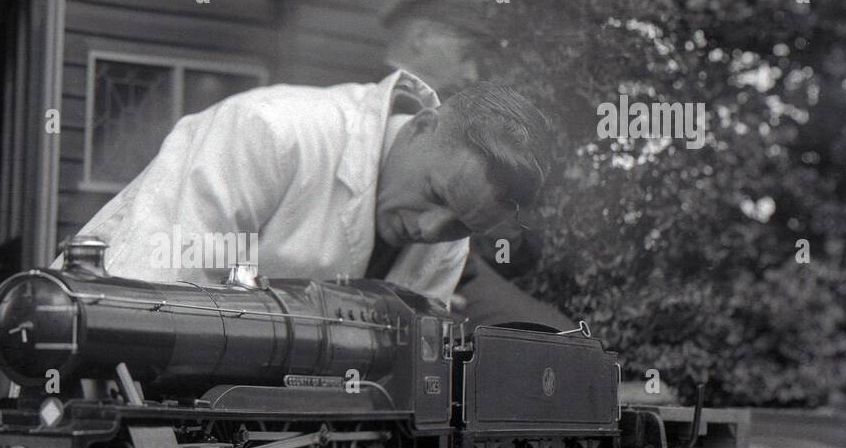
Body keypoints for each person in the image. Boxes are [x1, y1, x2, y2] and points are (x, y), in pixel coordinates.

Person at [70, 71, 553, 310]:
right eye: (437, 195)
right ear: (423, 125)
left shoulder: (449, 244)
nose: (430, 230)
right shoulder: (270, 133)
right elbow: (152, 296)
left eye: (461, 227)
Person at [380, 0, 574, 330]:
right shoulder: (355, 109)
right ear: (421, 37)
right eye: (464, 53)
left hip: (453, 263)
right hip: (390, 274)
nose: (471, 73)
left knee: (553, 335)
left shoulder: (460, 114)